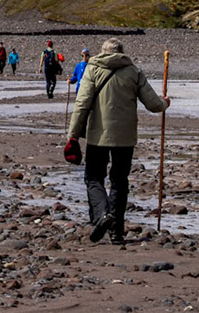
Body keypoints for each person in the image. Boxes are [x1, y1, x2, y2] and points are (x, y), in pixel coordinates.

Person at [64, 39, 169, 244]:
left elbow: (81, 104)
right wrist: (165, 103)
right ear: (122, 52)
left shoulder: (93, 70)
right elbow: (153, 104)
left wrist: (72, 136)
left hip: (98, 135)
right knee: (120, 181)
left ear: (102, 52)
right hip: (125, 137)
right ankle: (116, 233)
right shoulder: (134, 71)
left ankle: (102, 214)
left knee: (94, 178)